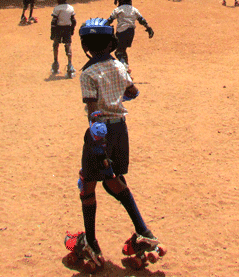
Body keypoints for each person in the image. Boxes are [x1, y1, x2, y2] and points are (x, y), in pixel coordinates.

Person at [64, 17, 164, 272]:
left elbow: (94, 113)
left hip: (101, 134)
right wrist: (118, 93)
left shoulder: (87, 73)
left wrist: (99, 148)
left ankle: (92, 244)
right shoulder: (119, 66)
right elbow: (133, 92)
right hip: (120, 129)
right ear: (111, 43)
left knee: (88, 185)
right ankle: (143, 233)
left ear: (86, 44)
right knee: (113, 182)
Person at [106, 0, 154, 71]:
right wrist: (148, 28)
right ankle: (126, 67)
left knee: (118, 52)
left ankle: (124, 67)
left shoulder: (118, 9)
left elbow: (109, 20)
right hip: (131, 32)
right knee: (123, 50)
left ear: (120, 0)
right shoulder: (134, 10)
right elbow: (141, 20)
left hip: (121, 32)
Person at [50, 0, 77, 77]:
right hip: (67, 29)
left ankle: (55, 65)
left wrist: (52, 33)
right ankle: (70, 66)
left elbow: (54, 22)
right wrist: (72, 30)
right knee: (68, 46)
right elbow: (73, 21)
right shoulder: (71, 8)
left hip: (58, 29)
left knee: (55, 45)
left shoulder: (56, 9)